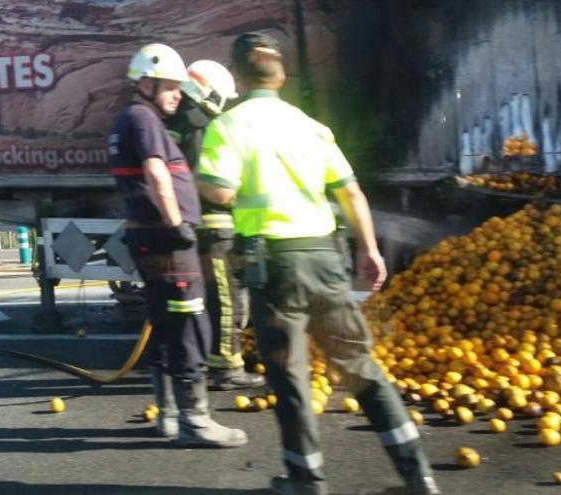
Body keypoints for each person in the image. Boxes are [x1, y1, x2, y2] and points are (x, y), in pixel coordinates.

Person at [196, 33, 440, 494]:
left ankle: (306, 481)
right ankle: (418, 475)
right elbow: (350, 192)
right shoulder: (311, 126)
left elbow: (220, 190)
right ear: (281, 75)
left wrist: (194, 174)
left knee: (291, 375)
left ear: (239, 77)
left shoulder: (228, 126)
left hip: (276, 266)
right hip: (326, 260)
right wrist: (368, 249)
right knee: (359, 365)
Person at [107, 43, 246, 448]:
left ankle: (169, 413)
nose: (178, 95)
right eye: (170, 87)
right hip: (166, 239)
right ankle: (196, 421)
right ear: (146, 83)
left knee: (166, 324)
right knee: (188, 323)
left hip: (150, 237)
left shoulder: (129, 118)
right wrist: (176, 224)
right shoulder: (143, 118)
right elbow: (155, 171)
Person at [165, 59, 265, 391]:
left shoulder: (177, 124)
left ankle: (210, 360)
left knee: (208, 301)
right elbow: (207, 182)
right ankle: (226, 367)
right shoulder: (199, 126)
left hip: (196, 228)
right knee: (226, 301)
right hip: (213, 228)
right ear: (207, 92)